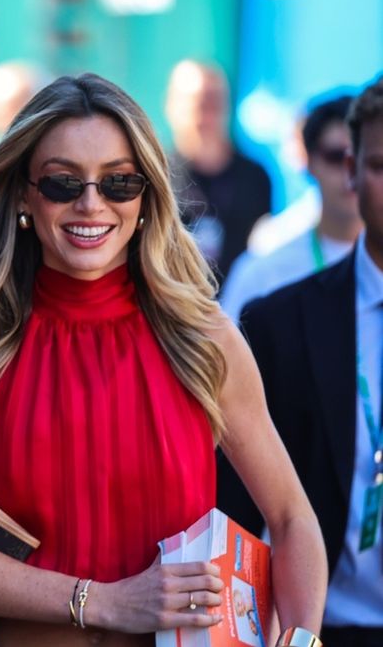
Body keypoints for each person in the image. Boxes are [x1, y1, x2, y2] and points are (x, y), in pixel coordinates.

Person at [0, 73, 326, 646]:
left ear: (146, 197)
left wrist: (300, 641)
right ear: (23, 193)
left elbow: (293, 519)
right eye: (63, 182)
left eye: (119, 182)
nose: (91, 203)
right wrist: (102, 602)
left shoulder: (203, 338)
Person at [218, 75, 383, 646]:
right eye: (381, 165)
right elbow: (235, 503)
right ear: (350, 171)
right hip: (320, 623)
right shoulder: (277, 314)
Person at [220, 94, 361, 321]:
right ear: (309, 161)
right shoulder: (265, 267)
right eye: (336, 157)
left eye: (365, 159)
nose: (351, 174)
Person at [166, 60, 272, 279]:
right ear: (173, 107)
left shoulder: (254, 177)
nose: (207, 115)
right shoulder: (158, 174)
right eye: (198, 104)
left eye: (215, 102)